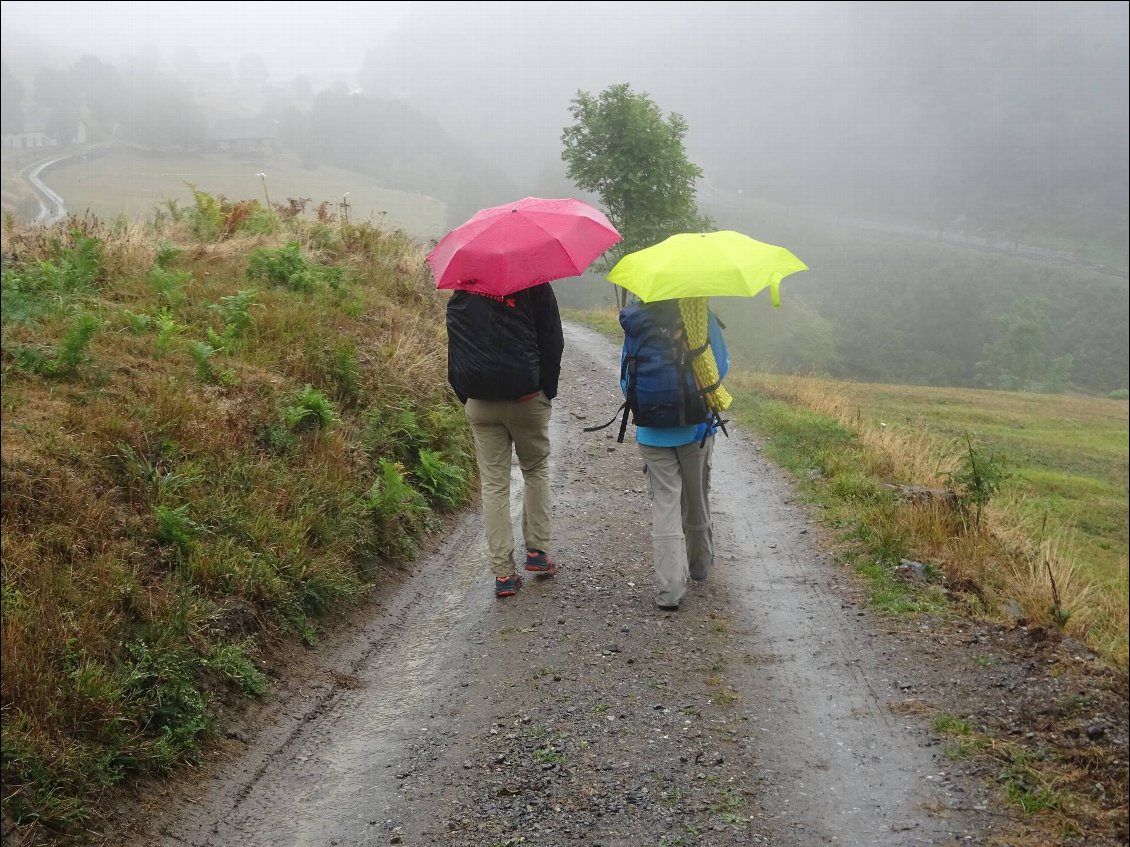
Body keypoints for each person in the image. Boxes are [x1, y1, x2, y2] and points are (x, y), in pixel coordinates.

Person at [445, 283, 564, 598]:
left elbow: (455, 349)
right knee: (535, 469)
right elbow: (553, 340)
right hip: (526, 398)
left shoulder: (463, 290)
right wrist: (546, 390)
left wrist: (466, 395)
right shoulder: (535, 284)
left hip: (479, 401)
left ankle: (503, 575)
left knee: (493, 485)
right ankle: (538, 552)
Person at [622, 296, 729, 612]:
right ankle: (699, 567)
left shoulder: (635, 322)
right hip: (695, 428)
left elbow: (626, 379)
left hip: (651, 432)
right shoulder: (698, 314)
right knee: (696, 497)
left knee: (665, 504)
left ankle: (669, 590)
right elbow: (719, 368)